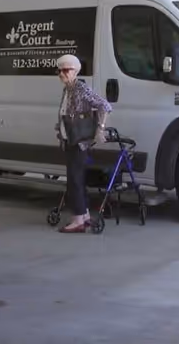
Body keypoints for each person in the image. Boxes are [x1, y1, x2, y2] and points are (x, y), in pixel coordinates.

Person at [54, 54, 112, 234]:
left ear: (75, 71)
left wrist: (100, 129)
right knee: (75, 179)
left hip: (79, 142)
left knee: (75, 181)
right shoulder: (68, 89)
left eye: (66, 70)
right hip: (70, 140)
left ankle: (78, 219)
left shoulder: (80, 88)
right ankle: (84, 215)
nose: (62, 74)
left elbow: (105, 106)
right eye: (59, 70)